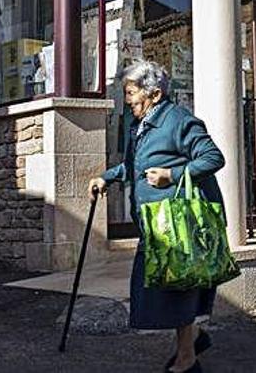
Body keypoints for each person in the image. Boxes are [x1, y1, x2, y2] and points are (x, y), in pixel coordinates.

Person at [89, 60, 224, 373]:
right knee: (161, 291)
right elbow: (134, 165)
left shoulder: (178, 120)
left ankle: (188, 359)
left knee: (177, 291)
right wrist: (107, 177)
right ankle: (194, 337)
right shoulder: (141, 124)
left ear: (154, 93)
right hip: (154, 223)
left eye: (132, 91)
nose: (128, 99)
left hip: (175, 223)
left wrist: (172, 175)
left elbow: (213, 158)